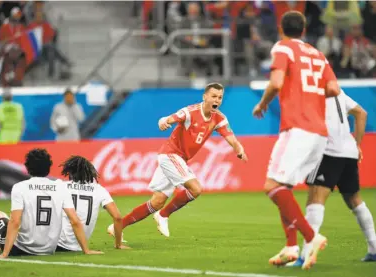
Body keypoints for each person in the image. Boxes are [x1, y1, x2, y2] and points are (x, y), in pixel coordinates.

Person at [252, 11, 340, 270]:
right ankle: (291, 247)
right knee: (284, 187)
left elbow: (277, 81)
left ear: (281, 28)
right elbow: (334, 89)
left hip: (297, 127)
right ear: (303, 29)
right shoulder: (318, 54)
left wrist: (262, 103)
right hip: (319, 133)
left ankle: (311, 237)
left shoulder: (283, 47)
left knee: (271, 185)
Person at [109, 82, 248, 239]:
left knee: (157, 202)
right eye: (213, 96)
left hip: (178, 159)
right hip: (170, 155)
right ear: (205, 97)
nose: (217, 100)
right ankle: (163, 215)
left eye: (220, 97)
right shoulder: (190, 112)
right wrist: (163, 121)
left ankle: (117, 227)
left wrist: (239, 149)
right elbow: (170, 118)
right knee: (196, 189)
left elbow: (230, 137)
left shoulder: (219, 118)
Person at [287, 90, 375, 266]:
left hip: (328, 151)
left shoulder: (310, 91)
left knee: (315, 199)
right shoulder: (337, 91)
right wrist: (356, 145)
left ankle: (305, 254)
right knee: (354, 200)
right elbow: (361, 113)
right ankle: (374, 248)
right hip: (348, 152)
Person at [0, 148, 102, 258]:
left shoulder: (19, 187)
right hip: (49, 249)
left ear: (27, 167)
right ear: (49, 167)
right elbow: (75, 221)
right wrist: (86, 250)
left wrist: (5, 254)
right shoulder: (60, 187)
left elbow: (15, 221)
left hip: (23, 248)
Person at [57, 155, 129, 251]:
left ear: (69, 171)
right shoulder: (99, 189)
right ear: (90, 171)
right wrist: (118, 244)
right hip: (79, 246)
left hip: (57, 243)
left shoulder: (61, 186)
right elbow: (118, 217)